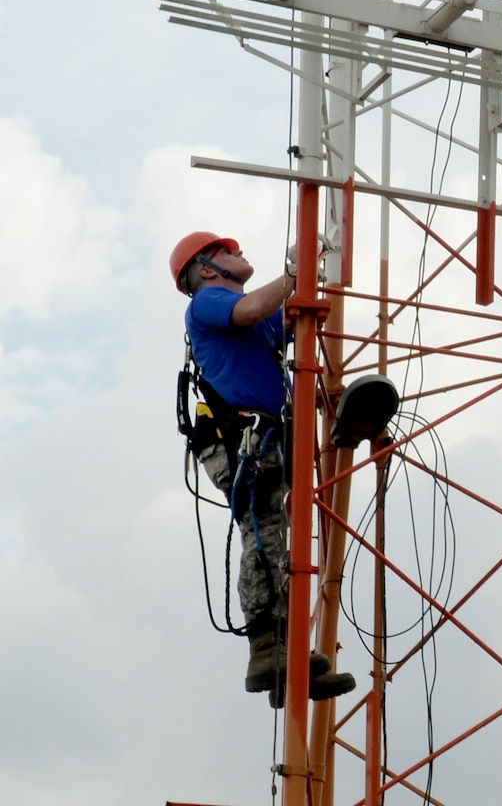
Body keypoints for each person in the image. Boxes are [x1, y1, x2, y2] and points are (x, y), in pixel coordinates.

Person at [170, 230, 357, 705]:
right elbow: (253, 309)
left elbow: (286, 322)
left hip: (266, 435)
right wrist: (294, 274)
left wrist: (312, 281)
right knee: (264, 530)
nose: (239, 252)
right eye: (228, 251)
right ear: (208, 268)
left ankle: (286, 653)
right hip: (243, 441)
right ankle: (266, 648)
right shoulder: (208, 302)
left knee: (278, 534)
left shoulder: (247, 317)